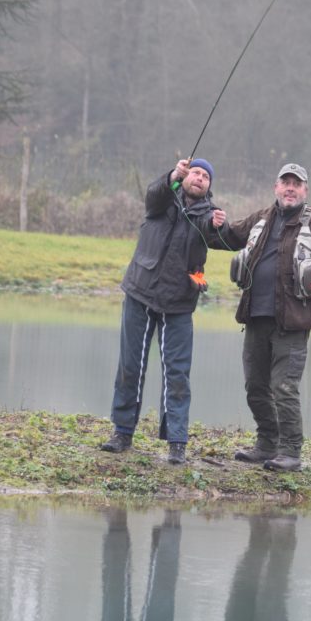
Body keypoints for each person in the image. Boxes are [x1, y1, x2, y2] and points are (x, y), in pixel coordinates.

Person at [208, 162, 311, 472]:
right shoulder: (261, 218)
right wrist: (216, 225)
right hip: (256, 317)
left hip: (293, 323)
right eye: (285, 182)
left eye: (296, 184)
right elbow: (229, 237)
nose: (290, 188)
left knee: (284, 388)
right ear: (276, 187)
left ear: (305, 191)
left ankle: (291, 453)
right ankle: (266, 445)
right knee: (255, 386)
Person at [101, 157, 226, 465]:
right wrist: (172, 174)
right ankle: (122, 433)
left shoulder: (208, 213)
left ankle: (177, 443)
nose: (198, 178)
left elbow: (208, 229)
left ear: (209, 186)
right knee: (130, 366)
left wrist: (216, 225)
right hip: (140, 293)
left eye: (204, 177)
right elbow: (154, 193)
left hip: (179, 302)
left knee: (177, 374)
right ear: (184, 176)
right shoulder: (162, 199)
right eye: (194, 173)